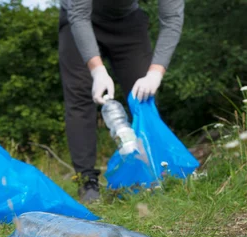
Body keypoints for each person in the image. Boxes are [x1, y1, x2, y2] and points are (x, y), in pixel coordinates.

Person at [59, 0, 184, 203]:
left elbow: (172, 18)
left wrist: (155, 73)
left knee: (144, 97)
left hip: (127, 21)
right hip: (80, 19)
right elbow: (79, 14)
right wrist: (97, 70)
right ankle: (87, 182)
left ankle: (154, 173)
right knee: (80, 97)